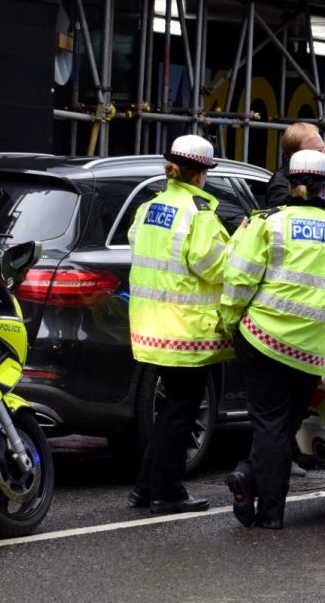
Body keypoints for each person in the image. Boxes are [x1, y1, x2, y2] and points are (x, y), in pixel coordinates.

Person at [221, 149, 325, 529]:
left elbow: (239, 278)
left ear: (289, 183)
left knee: (269, 424)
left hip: (262, 338)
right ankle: (256, 489)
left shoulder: (267, 224)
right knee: (284, 426)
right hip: (310, 351)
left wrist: (229, 322)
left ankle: (265, 505)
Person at [126, 134, 233, 514]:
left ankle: (145, 488)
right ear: (201, 173)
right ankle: (167, 492)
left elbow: (138, 245)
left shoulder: (150, 207)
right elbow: (214, 265)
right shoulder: (199, 212)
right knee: (180, 412)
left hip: (151, 326)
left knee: (172, 408)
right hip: (185, 329)